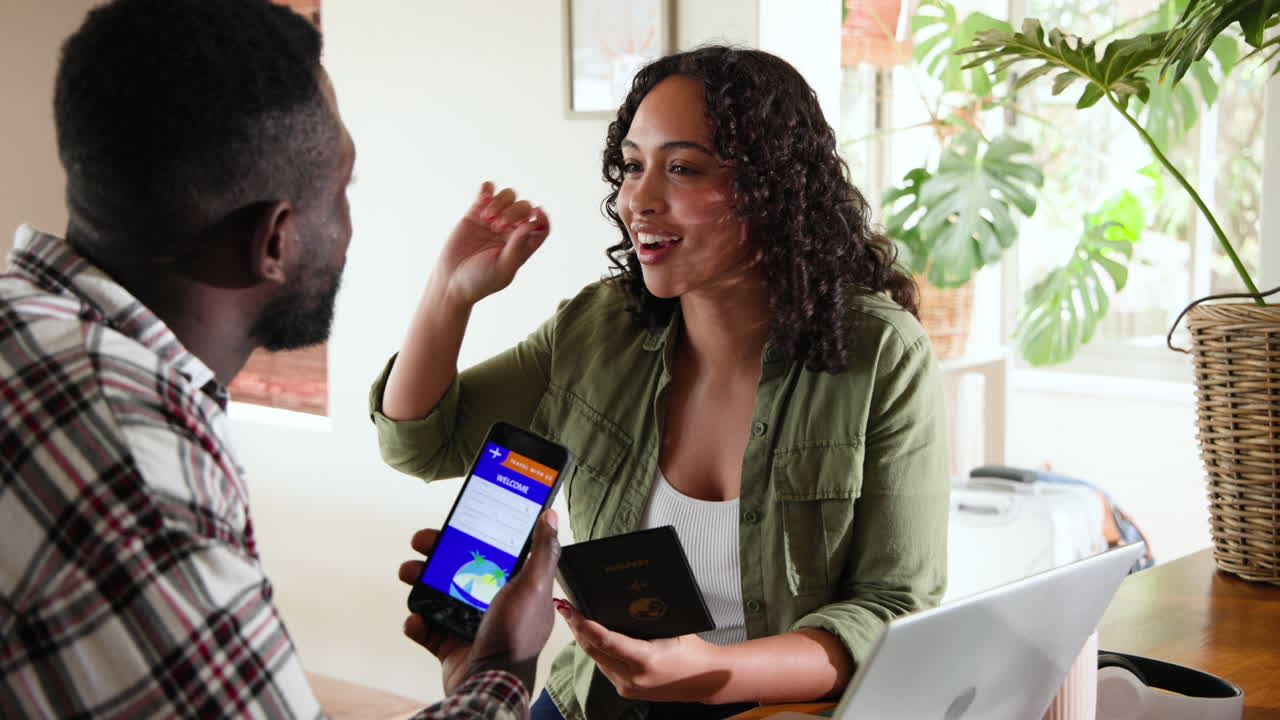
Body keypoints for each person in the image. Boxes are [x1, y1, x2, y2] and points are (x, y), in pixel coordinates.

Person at [0, 0, 560, 717]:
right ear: (276, 240)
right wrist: (503, 664)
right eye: (341, 191)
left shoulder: (31, 327)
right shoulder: (137, 471)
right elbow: (417, 435)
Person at [371, 45, 950, 720]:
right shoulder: (599, 326)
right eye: (633, 167)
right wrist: (450, 292)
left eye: (682, 169)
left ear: (772, 188)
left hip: (776, 709)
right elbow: (421, 446)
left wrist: (711, 671)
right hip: (597, 699)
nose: (638, 201)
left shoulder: (880, 353)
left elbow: (893, 605)